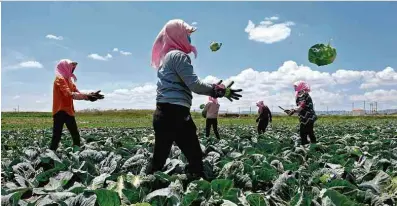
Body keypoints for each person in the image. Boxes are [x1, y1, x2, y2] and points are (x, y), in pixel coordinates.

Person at [148, 19, 242, 178]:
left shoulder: (167, 59)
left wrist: (214, 88)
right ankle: (196, 191)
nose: (189, 39)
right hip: (176, 114)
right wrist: (217, 90)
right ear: (178, 35)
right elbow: (195, 85)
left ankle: (144, 187)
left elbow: (188, 83)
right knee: (195, 157)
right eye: (187, 34)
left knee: (159, 159)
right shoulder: (178, 55)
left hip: (163, 113)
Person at [50, 59, 104, 151]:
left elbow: (77, 92)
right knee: (57, 136)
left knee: (75, 134)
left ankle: (77, 154)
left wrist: (90, 95)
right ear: (65, 67)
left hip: (69, 111)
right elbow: (69, 94)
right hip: (59, 111)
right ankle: (49, 157)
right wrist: (87, 96)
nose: (72, 70)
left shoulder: (69, 80)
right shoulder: (59, 79)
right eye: (71, 67)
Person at [287, 81, 317, 145]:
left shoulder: (304, 94)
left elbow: (302, 106)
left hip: (308, 117)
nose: (294, 88)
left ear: (300, 86)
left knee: (307, 132)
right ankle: (309, 146)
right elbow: (299, 108)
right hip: (304, 118)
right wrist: (291, 111)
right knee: (305, 133)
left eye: (296, 86)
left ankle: (312, 147)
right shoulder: (299, 95)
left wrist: (293, 111)